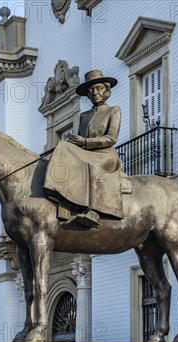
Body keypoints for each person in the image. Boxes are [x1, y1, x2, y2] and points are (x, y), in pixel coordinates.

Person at [44, 70, 126, 228]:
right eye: (91, 90)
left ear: (107, 91)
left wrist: (85, 141)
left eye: (99, 88)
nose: (95, 93)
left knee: (91, 166)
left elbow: (111, 138)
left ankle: (93, 212)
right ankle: (62, 199)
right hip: (87, 153)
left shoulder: (113, 110)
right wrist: (74, 142)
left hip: (106, 155)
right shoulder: (83, 116)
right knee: (63, 145)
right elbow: (79, 140)